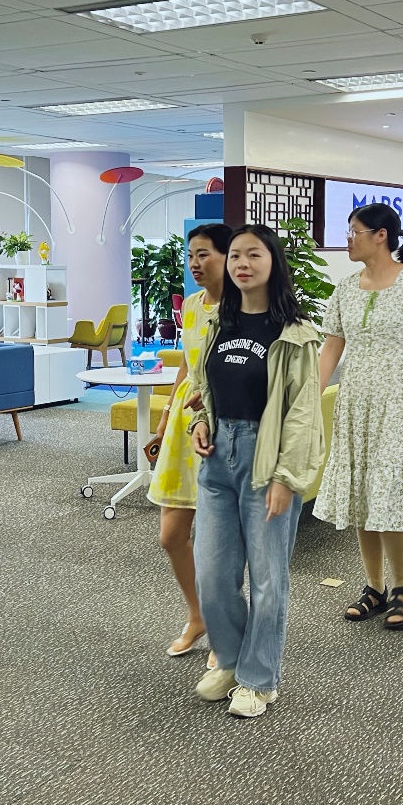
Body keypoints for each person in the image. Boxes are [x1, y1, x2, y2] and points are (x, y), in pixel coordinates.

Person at [187, 224, 324, 719]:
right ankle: (229, 659)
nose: (242, 264)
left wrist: (288, 477)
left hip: (267, 459)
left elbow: (304, 412)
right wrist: (201, 423)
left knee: (268, 579)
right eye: (236, 256)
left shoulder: (294, 334)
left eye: (254, 255)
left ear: (273, 263)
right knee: (212, 574)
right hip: (218, 459)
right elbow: (204, 386)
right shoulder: (219, 323)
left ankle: (259, 678)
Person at [314, 203, 403, 630]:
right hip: (356, 401)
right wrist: (311, 395)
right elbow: (332, 347)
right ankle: (374, 586)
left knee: (388, 491)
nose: (348, 239)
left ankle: (402, 586)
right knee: (362, 491)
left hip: (398, 401)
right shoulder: (346, 288)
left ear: (381, 235)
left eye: (355, 231)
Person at [145, 223, 231, 663]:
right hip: (185, 419)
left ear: (228, 257)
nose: (195, 264)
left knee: (220, 543)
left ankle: (224, 627)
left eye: (204, 254)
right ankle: (197, 616)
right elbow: (187, 365)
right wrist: (164, 418)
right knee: (171, 535)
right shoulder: (194, 306)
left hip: (223, 423)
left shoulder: (243, 308)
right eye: (191, 255)